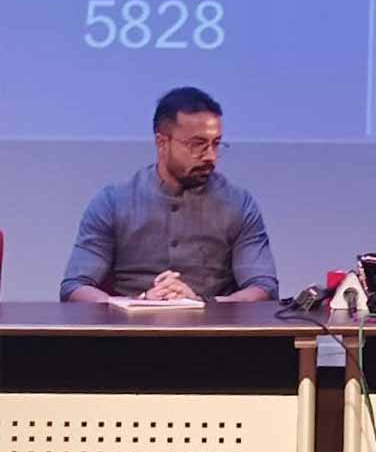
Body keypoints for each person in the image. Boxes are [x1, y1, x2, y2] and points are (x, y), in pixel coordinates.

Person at [60, 87, 279, 303]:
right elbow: (75, 287)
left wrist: (202, 303)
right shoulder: (113, 202)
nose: (211, 156)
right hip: (129, 323)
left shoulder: (238, 204)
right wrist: (139, 302)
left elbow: (263, 288)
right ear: (162, 142)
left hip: (213, 323)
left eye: (216, 144)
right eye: (198, 145)